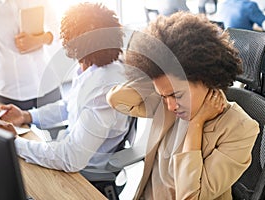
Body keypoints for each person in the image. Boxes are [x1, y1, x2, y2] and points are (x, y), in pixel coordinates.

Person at [107, 12, 259, 199]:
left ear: (206, 78)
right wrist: (156, 70)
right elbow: (116, 99)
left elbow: (191, 197)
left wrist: (196, 124)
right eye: (164, 96)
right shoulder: (165, 103)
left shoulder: (240, 129)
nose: (170, 106)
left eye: (176, 95)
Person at [0, 2, 130, 174]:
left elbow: (71, 159)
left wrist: (14, 142)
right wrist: (26, 116)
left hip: (83, 172)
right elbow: (69, 106)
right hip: (68, 152)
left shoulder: (103, 91)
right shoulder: (92, 68)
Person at [0, 0, 62, 113]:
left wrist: (39, 40)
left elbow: (57, 27)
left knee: (59, 128)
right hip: (11, 93)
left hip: (47, 83)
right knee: (17, 131)